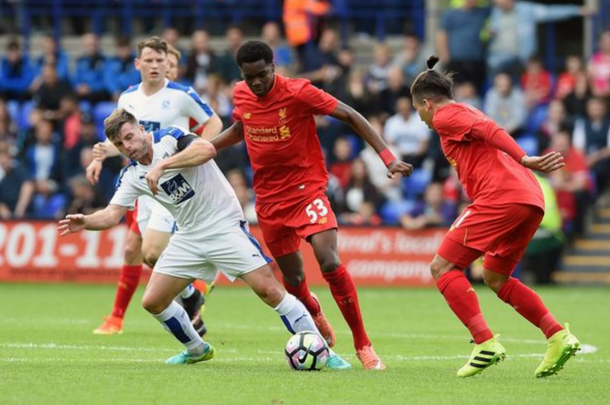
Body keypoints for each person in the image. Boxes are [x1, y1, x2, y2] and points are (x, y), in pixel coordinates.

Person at [58, 108, 350, 368]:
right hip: (188, 237)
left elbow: (207, 150)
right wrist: (86, 222)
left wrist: (163, 166)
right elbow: (111, 214)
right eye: (120, 144)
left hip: (224, 226)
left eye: (130, 137)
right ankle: (197, 349)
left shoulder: (171, 138)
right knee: (153, 301)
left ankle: (323, 351)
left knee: (269, 291)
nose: (128, 147)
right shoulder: (132, 175)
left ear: (142, 129)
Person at [211, 40, 413, 370]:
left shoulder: (299, 91)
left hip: (307, 190)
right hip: (269, 199)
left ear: (274, 67)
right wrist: (207, 149)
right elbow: (240, 127)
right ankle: (313, 311)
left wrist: (387, 157)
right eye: (250, 78)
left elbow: (350, 114)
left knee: (329, 260)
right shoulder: (241, 93)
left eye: (262, 75)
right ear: (242, 75)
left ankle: (363, 344)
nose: (257, 83)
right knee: (293, 280)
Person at [410, 55, 580, 378]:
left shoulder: (446, 116)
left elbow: (490, 130)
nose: (420, 118)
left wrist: (525, 157)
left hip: (502, 197)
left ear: (427, 103)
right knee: (495, 276)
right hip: (529, 199)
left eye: (418, 109)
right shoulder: (463, 111)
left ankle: (484, 342)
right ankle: (557, 335)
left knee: (441, 267)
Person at [85, 37, 223, 336]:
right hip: (144, 187)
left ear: (167, 64)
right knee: (146, 255)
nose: (156, 65)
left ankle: (193, 289)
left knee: (149, 250)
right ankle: (191, 294)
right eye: (149, 60)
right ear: (138, 64)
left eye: (161, 60)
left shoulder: (181, 94)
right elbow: (119, 140)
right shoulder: (127, 98)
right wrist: (100, 155)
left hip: (173, 184)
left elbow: (214, 123)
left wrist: (193, 155)